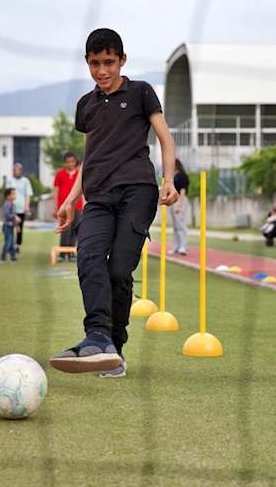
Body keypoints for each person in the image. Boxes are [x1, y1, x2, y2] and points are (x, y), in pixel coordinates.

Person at [50, 28, 179, 378]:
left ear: (122, 60)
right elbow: (89, 156)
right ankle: (97, 336)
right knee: (88, 257)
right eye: (94, 63)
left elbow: (165, 138)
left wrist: (168, 180)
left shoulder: (140, 92)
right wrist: (70, 200)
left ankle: (114, 349)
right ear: (87, 63)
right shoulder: (86, 106)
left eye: (109, 62)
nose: (102, 71)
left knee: (120, 271)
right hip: (98, 196)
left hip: (138, 191)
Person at [52, 152, 84, 262]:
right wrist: (56, 207)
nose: (70, 164)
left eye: (72, 162)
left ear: (75, 162)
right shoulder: (59, 174)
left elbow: (82, 191)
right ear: (65, 162)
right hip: (64, 207)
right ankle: (62, 252)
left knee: (75, 229)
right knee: (65, 229)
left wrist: (84, 205)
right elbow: (56, 191)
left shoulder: (79, 174)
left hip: (77, 206)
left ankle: (71, 253)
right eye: (68, 162)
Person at [5, 163, 33, 254]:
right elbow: (7, 193)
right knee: (10, 227)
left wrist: (27, 206)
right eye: (15, 170)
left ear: (21, 171)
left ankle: (17, 245)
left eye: (18, 170)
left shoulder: (25, 181)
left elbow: (28, 194)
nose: (17, 172)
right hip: (11, 208)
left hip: (21, 208)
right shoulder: (10, 180)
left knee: (19, 228)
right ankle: (9, 245)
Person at [170, 158, 189, 255]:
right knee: (176, 226)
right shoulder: (176, 176)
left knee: (180, 224)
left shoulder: (182, 176)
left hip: (180, 200)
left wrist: (179, 205)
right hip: (174, 200)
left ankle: (183, 246)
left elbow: (182, 191)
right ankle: (176, 246)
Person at [0, 187, 21, 264]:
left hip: (11, 227)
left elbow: (13, 219)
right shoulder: (7, 204)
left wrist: (17, 226)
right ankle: (3, 257)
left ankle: (13, 257)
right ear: (8, 196)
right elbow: (7, 215)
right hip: (7, 227)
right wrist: (14, 216)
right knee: (7, 242)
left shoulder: (12, 204)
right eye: (13, 194)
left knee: (12, 242)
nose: (15, 195)